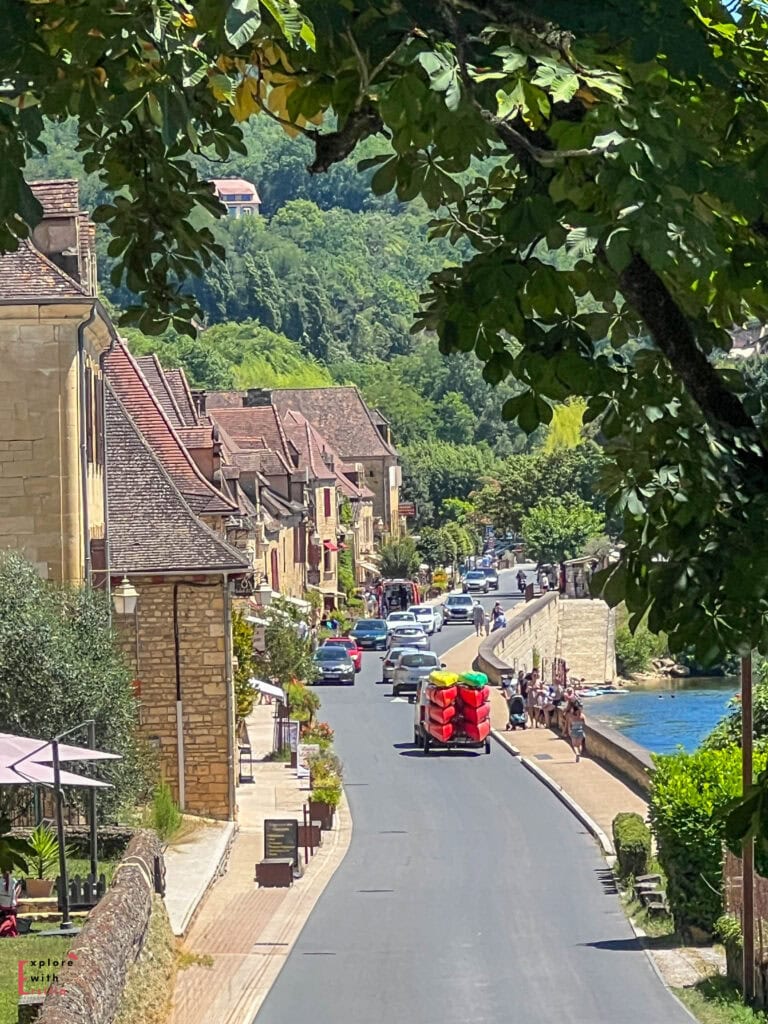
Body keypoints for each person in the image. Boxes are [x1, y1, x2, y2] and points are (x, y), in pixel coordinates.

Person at [0, 871, 21, 937]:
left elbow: (16, 892)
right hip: (7, 908)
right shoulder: (14, 881)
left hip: (7, 908)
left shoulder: (13, 881)